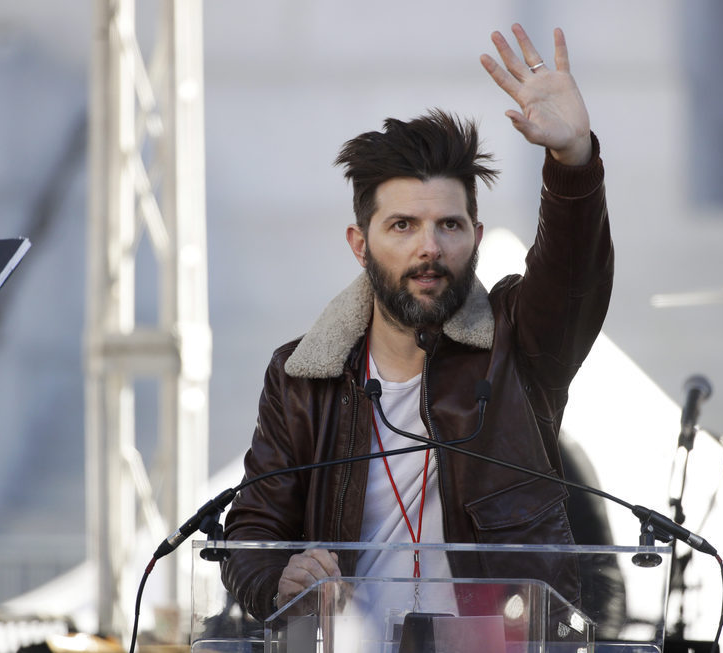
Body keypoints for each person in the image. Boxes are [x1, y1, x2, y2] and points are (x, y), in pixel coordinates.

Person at [221, 23, 614, 624]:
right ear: (360, 243)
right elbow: (251, 532)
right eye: (403, 226)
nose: (429, 247)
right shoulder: (300, 376)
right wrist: (280, 577)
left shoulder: (519, 345)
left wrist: (572, 157)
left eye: (449, 226)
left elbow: (573, 276)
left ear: (476, 237)